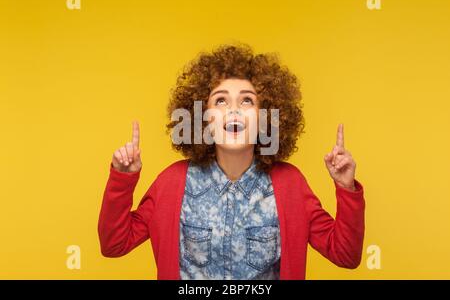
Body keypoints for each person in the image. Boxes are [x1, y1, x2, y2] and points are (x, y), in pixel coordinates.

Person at [98, 44, 365, 280]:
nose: (234, 109)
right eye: (221, 100)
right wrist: (122, 179)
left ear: (265, 117)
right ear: (203, 116)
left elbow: (345, 255)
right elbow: (114, 244)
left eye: (247, 100)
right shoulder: (172, 183)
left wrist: (346, 188)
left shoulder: (290, 184)